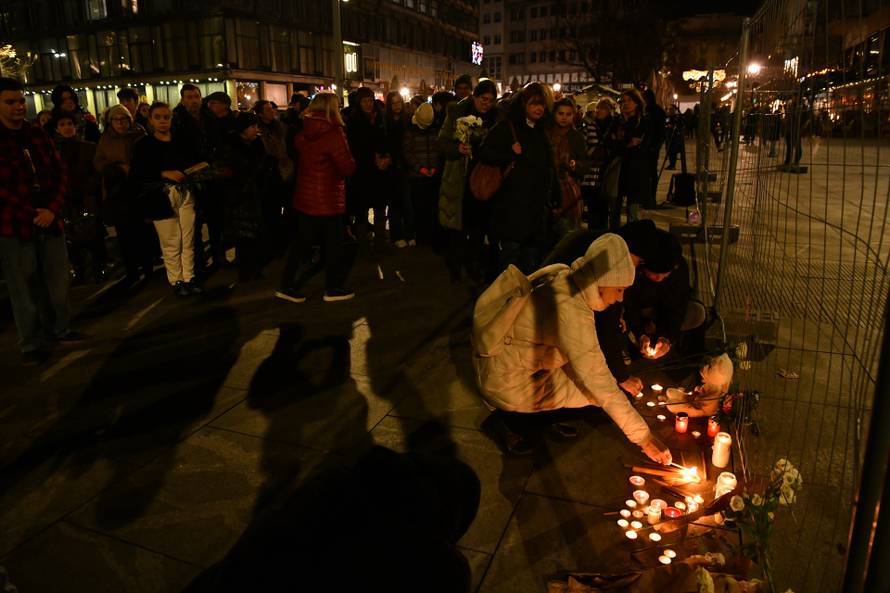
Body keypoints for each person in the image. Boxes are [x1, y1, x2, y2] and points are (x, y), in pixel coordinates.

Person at [473, 232, 672, 461]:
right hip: (506, 380)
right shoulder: (571, 309)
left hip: (517, 362)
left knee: (594, 389)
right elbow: (599, 382)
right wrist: (645, 439)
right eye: (619, 289)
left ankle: (541, 419)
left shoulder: (566, 276)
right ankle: (508, 423)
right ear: (603, 280)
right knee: (596, 396)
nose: (620, 299)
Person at [542, 220, 706, 395]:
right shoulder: (611, 260)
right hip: (551, 311)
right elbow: (606, 322)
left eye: (664, 276)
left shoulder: (622, 250)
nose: (659, 279)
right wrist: (621, 377)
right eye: (654, 273)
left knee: (695, 313)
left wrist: (666, 337)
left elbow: (677, 306)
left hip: (561, 299)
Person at [0, 77, 82, 365]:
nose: (18, 107)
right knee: (22, 286)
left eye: (20, 101)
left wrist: (52, 209)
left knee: (57, 279)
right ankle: (31, 341)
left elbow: (60, 171)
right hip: (15, 224)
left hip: (49, 217)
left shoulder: (36, 134)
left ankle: (60, 328)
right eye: (10, 102)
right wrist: (32, 213)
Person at [276, 91, 356, 303]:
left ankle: (286, 285)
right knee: (335, 244)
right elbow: (346, 167)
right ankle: (333, 287)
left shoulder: (305, 130)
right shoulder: (334, 133)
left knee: (301, 243)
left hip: (305, 196)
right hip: (328, 197)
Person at [478, 81, 558, 275]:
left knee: (530, 263)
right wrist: (509, 154)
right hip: (511, 207)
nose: (538, 108)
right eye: (533, 103)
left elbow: (548, 167)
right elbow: (483, 153)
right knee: (510, 261)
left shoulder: (541, 130)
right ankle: (505, 299)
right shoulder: (507, 127)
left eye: (542, 104)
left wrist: (554, 197)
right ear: (524, 104)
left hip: (535, 208)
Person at [131, 101, 201, 297]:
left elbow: (193, 160)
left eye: (166, 117)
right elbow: (138, 174)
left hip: (185, 191)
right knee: (171, 240)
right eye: (158, 117)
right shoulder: (143, 145)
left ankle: (189, 276)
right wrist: (163, 173)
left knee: (188, 238)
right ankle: (176, 280)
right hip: (160, 196)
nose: (163, 121)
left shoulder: (181, 140)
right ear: (150, 120)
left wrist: (192, 172)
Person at [438, 79, 499, 282]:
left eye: (491, 100)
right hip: (459, 175)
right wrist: (457, 149)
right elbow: (443, 141)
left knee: (477, 226)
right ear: (474, 96)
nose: (487, 104)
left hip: (483, 178)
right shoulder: (457, 112)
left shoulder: (495, 117)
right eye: (484, 99)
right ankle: (455, 265)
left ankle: (473, 264)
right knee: (457, 226)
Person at [94, 104, 151, 285]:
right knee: (124, 234)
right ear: (110, 122)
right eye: (116, 119)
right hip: (117, 191)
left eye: (124, 119)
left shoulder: (140, 135)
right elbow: (99, 161)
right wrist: (117, 168)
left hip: (138, 189)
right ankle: (131, 270)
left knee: (142, 232)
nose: (121, 123)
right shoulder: (105, 139)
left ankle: (147, 267)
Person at [219, 112, 277, 283]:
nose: (255, 130)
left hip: (259, 195)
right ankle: (245, 271)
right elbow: (235, 171)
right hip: (240, 198)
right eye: (252, 127)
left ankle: (257, 268)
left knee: (259, 235)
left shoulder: (259, 144)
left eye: (256, 126)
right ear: (242, 129)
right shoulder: (232, 147)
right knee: (244, 237)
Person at [51, 112, 105, 284]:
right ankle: (80, 271)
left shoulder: (88, 147)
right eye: (62, 124)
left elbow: (96, 172)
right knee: (72, 239)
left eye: (69, 124)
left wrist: (86, 186)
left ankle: (98, 269)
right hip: (66, 199)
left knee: (93, 234)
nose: (67, 127)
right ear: (57, 129)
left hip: (87, 197)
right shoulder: (53, 151)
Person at [196, 90, 236, 271]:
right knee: (215, 219)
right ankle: (218, 254)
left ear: (224, 105)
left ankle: (227, 250)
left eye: (214, 103)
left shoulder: (231, 123)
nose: (210, 105)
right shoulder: (207, 123)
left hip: (229, 176)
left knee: (228, 218)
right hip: (212, 177)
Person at [345, 86, 386, 244]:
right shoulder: (354, 121)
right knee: (361, 208)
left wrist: (385, 156)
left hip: (379, 170)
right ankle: (363, 241)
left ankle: (380, 240)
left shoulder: (379, 118)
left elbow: (384, 140)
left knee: (380, 207)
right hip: (362, 172)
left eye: (370, 100)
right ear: (359, 103)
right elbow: (354, 147)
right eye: (364, 101)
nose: (368, 104)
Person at [403, 102, 444, 247]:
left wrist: (434, 167)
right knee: (419, 208)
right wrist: (419, 168)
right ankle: (421, 237)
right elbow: (407, 152)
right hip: (417, 177)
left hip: (432, 175)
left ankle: (432, 237)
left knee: (433, 208)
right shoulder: (410, 130)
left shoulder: (436, 128)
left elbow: (439, 150)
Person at [548, 97, 591, 235]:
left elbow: (584, 163)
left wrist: (575, 165)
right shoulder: (546, 134)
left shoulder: (577, 137)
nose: (564, 118)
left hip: (569, 187)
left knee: (569, 230)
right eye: (560, 114)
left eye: (568, 114)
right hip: (548, 186)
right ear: (554, 114)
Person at [580, 98, 618, 231]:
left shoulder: (613, 127)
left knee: (603, 208)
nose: (598, 111)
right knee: (593, 208)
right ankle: (593, 235)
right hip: (591, 174)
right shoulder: (590, 126)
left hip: (606, 173)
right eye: (597, 108)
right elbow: (582, 147)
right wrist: (594, 152)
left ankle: (603, 234)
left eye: (602, 108)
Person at [383, 90, 414, 248]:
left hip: (405, 165)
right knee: (394, 202)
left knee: (407, 201)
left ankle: (410, 233)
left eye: (399, 103)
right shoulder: (385, 122)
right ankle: (397, 235)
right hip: (391, 166)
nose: (397, 106)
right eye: (393, 103)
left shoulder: (407, 119)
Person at [614, 89, 648, 228]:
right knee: (615, 205)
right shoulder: (618, 121)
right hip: (619, 167)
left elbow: (644, 143)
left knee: (633, 209)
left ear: (637, 103)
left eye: (630, 100)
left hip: (636, 168)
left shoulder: (642, 121)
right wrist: (627, 144)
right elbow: (614, 143)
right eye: (624, 101)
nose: (626, 104)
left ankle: (633, 238)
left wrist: (627, 143)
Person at [642, 89, 666, 209]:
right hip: (647, 147)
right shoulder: (647, 110)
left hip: (651, 148)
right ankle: (647, 197)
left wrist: (655, 146)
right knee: (647, 174)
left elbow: (660, 132)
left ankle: (650, 197)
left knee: (650, 173)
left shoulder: (655, 112)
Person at [664, 105, 685, 170]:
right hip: (668, 136)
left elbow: (680, 126)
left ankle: (673, 165)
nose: (670, 110)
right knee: (669, 151)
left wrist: (673, 127)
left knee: (673, 151)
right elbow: (666, 123)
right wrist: (667, 126)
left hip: (674, 137)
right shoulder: (668, 117)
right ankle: (671, 164)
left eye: (671, 109)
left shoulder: (677, 117)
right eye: (669, 109)